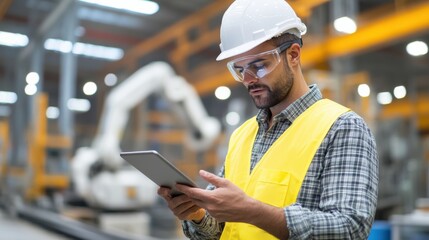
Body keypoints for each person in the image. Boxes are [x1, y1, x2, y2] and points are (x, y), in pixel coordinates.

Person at [158, 0, 378, 239]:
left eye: (259, 66)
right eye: (240, 69)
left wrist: (252, 212)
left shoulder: (342, 128)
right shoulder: (243, 135)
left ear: (293, 55)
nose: (248, 79)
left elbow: (350, 229)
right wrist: (197, 214)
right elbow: (223, 229)